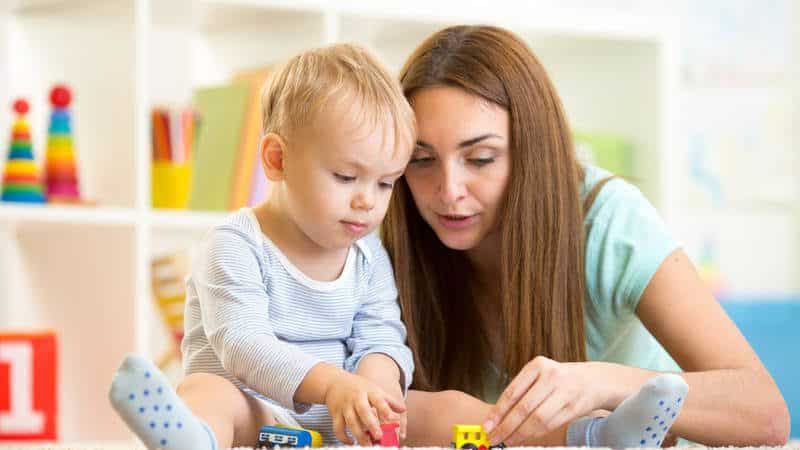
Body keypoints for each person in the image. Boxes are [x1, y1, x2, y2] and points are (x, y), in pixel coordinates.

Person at [382, 25, 790, 447]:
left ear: (531, 152)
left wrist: (604, 383)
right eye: (422, 159)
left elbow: (766, 413)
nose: (449, 190)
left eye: (481, 158)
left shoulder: (609, 220)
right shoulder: (390, 236)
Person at [109, 43, 416, 449]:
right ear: (277, 160)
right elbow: (244, 346)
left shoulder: (369, 256)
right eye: (345, 177)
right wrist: (333, 386)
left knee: (444, 405)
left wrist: (375, 394)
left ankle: (505, 426)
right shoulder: (235, 244)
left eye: (385, 183)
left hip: (342, 420)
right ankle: (194, 440)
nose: (368, 201)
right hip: (259, 417)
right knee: (207, 392)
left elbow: (380, 337)